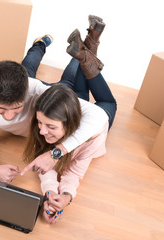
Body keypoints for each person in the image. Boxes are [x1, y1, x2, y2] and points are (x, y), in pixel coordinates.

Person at [0, 15, 108, 184]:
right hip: (25, 83)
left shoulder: (35, 89)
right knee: (27, 66)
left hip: (41, 90)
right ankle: (40, 43)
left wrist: (56, 153)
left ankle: (82, 52)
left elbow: (99, 115)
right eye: (1, 108)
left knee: (68, 82)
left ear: (26, 91)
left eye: (17, 107)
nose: (9, 116)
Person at [22, 15, 117, 224]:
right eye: (39, 123)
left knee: (108, 103)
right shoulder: (45, 120)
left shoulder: (91, 137)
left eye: (50, 126)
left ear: (71, 123)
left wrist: (56, 156)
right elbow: (45, 166)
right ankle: (85, 51)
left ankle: (86, 51)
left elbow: (73, 171)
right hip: (70, 99)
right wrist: (54, 195)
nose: (41, 131)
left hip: (98, 117)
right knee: (76, 83)